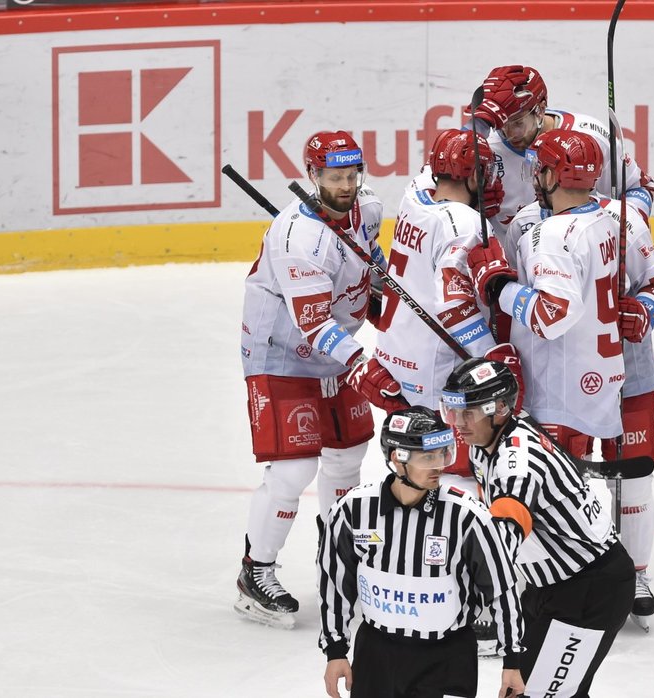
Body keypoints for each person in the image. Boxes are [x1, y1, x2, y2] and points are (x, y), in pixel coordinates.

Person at [234, 130, 399, 628]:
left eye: (352, 175)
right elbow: (313, 323)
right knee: (293, 470)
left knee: (347, 458)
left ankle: (340, 563)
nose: (346, 185)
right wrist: (363, 364)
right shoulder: (298, 238)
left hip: (334, 352)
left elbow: (374, 277)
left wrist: (389, 305)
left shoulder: (367, 210)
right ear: (313, 176)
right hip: (281, 353)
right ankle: (254, 572)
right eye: (334, 177)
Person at [507, 190, 654, 629]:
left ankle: (635, 574)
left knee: (635, 481)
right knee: (560, 487)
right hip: (558, 385)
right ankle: (561, 578)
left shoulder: (623, 220)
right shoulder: (524, 223)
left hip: (630, 374)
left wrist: (644, 309)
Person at [440, 359, 635, 697]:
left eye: (468, 413)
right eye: (453, 411)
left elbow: (507, 528)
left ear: (499, 409)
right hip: (549, 585)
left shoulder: (516, 463)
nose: (458, 423)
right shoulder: (488, 442)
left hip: (590, 590)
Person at [318, 406, 525, 698]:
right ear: (397, 459)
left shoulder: (467, 516)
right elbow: (334, 583)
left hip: (447, 658)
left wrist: (512, 660)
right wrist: (336, 650)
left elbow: (502, 590)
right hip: (376, 655)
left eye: (443, 454)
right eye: (428, 457)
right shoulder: (353, 510)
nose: (439, 465)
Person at [352, 128, 520, 487]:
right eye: (484, 174)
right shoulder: (464, 223)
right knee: (455, 477)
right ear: (473, 175)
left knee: (412, 474)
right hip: (437, 375)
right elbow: (452, 305)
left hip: (396, 359)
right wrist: (491, 361)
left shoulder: (413, 195)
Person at [467, 129, 625, 460]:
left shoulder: (552, 234)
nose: (535, 178)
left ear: (553, 174)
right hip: (594, 387)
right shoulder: (604, 220)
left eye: (539, 170)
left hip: (557, 394)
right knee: (569, 493)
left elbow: (551, 317)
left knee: (543, 502)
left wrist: (498, 287)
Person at [470, 64, 654, 245]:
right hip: (515, 269)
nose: (509, 134)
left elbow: (640, 189)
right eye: (502, 124)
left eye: (517, 123)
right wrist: (472, 206)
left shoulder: (588, 138)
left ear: (540, 109)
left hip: (581, 263)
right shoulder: (484, 148)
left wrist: (625, 229)